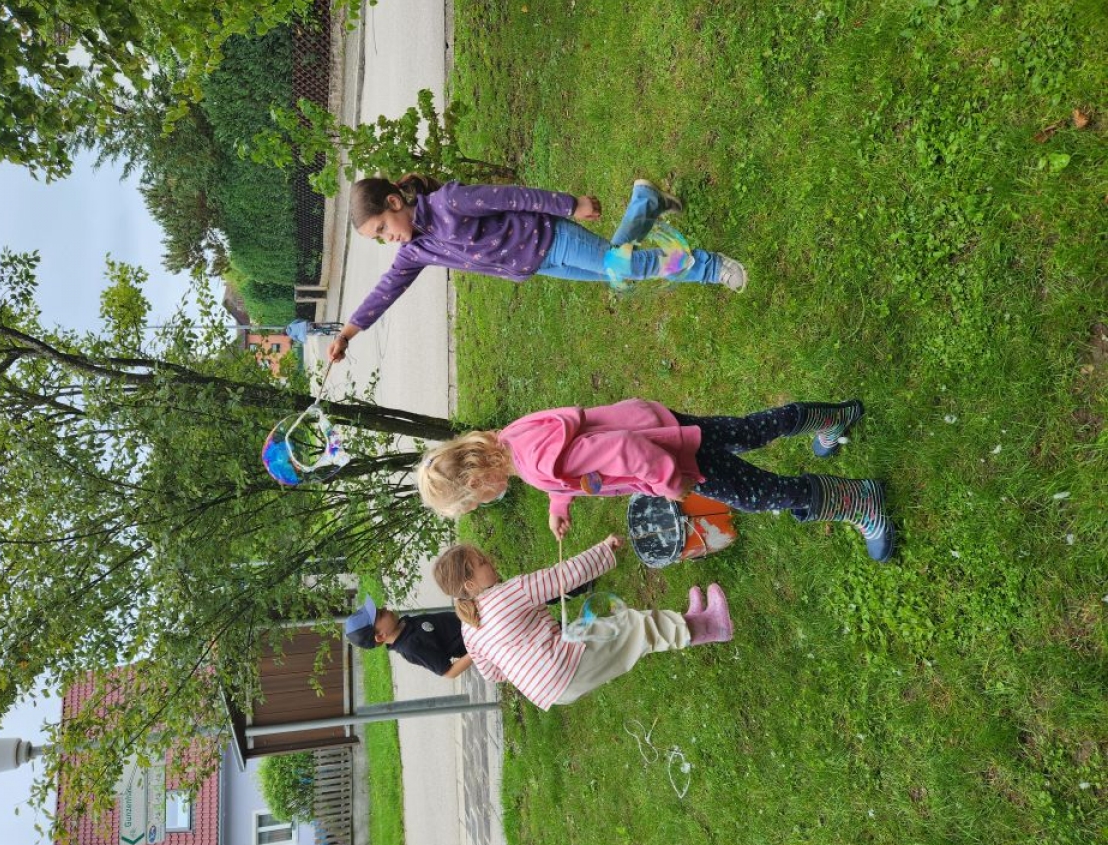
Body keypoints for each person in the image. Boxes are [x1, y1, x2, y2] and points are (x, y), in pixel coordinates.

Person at [417, 398, 895, 563]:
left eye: (475, 503)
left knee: (755, 494)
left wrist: (670, 482)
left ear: (477, 480)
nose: (484, 504)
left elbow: (621, 451)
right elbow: (568, 471)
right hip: (656, 422)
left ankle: (860, 501)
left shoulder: (536, 464)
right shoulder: (513, 441)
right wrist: (557, 507)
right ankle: (831, 418)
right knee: (746, 431)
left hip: (668, 452)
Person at [326, 175, 747, 362]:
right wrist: (348, 333)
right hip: (543, 265)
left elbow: (511, 197)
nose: (388, 240)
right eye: (379, 238)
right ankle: (646, 202)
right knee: (617, 271)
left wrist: (570, 205)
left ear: (395, 202)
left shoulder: (449, 203)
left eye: (382, 229)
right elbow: (388, 289)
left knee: (630, 267)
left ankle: (710, 267)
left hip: (555, 237)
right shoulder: (418, 249)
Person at [431, 536, 734, 710]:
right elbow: (563, 576)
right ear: (469, 585)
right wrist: (604, 549)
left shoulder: (469, 631)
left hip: (552, 692)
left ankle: (693, 622)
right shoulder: (509, 593)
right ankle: (712, 627)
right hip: (563, 665)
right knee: (634, 627)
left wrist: (529, 665)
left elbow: (493, 674)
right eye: (482, 563)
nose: (490, 562)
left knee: (623, 630)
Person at [344, 596, 472, 679]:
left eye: (380, 609)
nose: (384, 608)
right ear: (381, 636)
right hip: (476, 638)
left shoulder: (403, 624)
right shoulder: (410, 647)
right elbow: (449, 672)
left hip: (471, 620)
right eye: (381, 614)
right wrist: (475, 651)